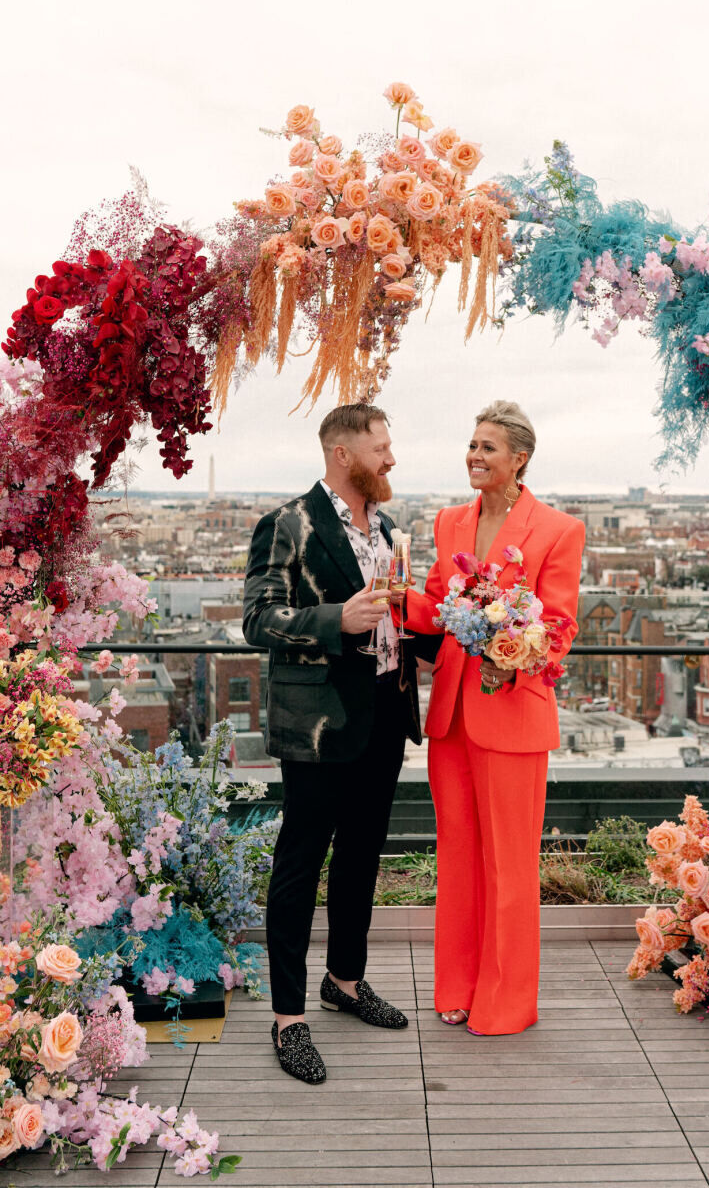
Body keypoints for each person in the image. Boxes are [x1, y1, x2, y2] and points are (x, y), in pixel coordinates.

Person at [243, 403, 423, 1084]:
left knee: (361, 857)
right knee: (300, 863)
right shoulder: (287, 522)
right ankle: (288, 1018)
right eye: (382, 447)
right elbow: (257, 619)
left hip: (383, 713)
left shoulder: (390, 531)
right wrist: (334, 619)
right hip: (317, 724)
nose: (392, 458)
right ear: (344, 453)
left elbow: (399, 618)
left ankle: (344, 980)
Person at [398, 401, 585, 1035]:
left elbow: (558, 625)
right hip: (452, 713)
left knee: (510, 865)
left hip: (513, 714)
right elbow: (433, 609)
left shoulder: (558, 530)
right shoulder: (450, 522)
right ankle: (457, 987)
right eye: (471, 445)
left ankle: (505, 1002)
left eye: (488, 447)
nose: (474, 456)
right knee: (458, 857)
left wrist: (517, 658)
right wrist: (396, 598)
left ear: (519, 458)